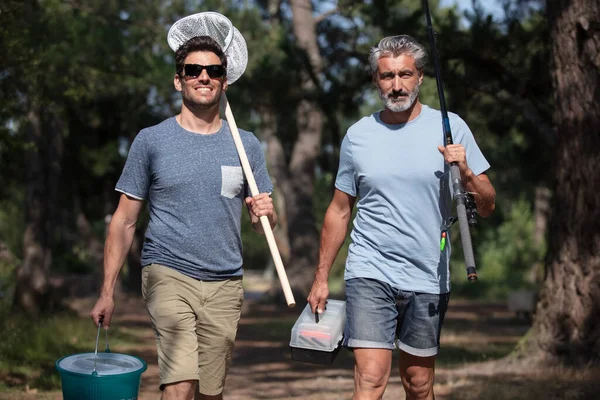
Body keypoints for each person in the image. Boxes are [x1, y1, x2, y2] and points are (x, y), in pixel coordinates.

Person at [307, 35, 496, 400]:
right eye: (387, 76)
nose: (396, 85)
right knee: (371, 378)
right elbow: (339, 209)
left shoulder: (451, 127)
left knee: (419, 384)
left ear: (421, 76)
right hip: (369, 269)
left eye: (405, 74)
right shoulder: (358, 135)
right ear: (376, 81)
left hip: (428, 271)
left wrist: (467, 171)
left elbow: (487, 206)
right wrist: (320, 277)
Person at [90, 35, 276, 400]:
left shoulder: (246, 144)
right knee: (180, 384)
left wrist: (265, 214)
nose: (203, 77)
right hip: (168, 271)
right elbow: (124, 221)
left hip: (225, 281)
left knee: (209, 392)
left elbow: (262, 224)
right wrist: (106, 292)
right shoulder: (151, 141)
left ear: (224, 81)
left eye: (214, 71)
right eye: (194, 70)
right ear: (179, 80)